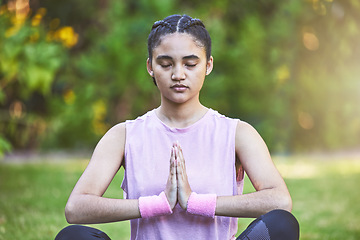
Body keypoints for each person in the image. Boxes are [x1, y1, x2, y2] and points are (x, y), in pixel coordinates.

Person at [55, 14, 299, 240]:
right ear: (150, 66)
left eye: (190, 64)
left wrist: (195, 202)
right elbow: (75, 209)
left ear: (208, 65)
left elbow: (280, 201)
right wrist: (158, 204)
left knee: (280, 224)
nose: (178, 74)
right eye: (166, 64)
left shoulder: (237, 133)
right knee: (73, 237)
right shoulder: (125, 135)